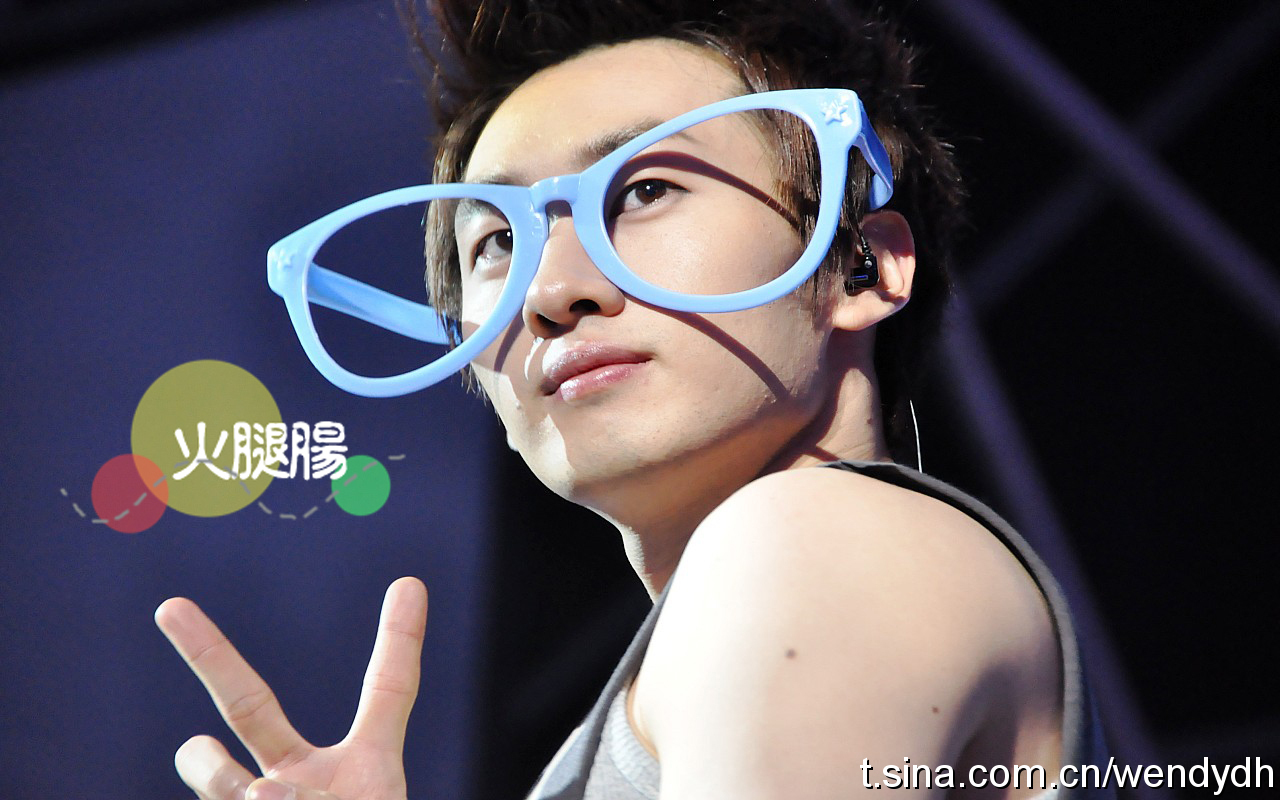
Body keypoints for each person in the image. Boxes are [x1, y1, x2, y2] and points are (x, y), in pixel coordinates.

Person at [155, 1, 1113, 798]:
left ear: (862, 265)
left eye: (646, 189)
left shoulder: (809, 536)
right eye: (496, 243)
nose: (550, 290)